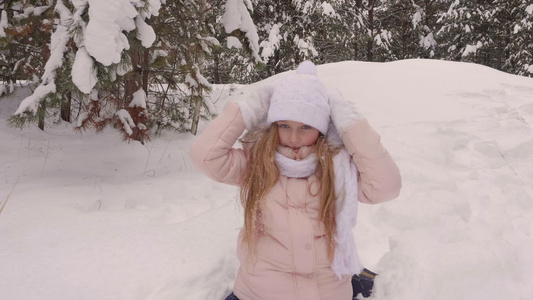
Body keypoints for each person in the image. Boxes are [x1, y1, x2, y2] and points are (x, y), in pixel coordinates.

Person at [190, 61, 401, 300]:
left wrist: (350, 125)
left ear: (322, 128)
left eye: (306, 126)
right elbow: (204, 157)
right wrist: (247, 110)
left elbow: (386, 188)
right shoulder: (257, 163)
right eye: (284, 125)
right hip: (260, 293)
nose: (293, 137)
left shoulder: (337, 168)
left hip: (327, 292)